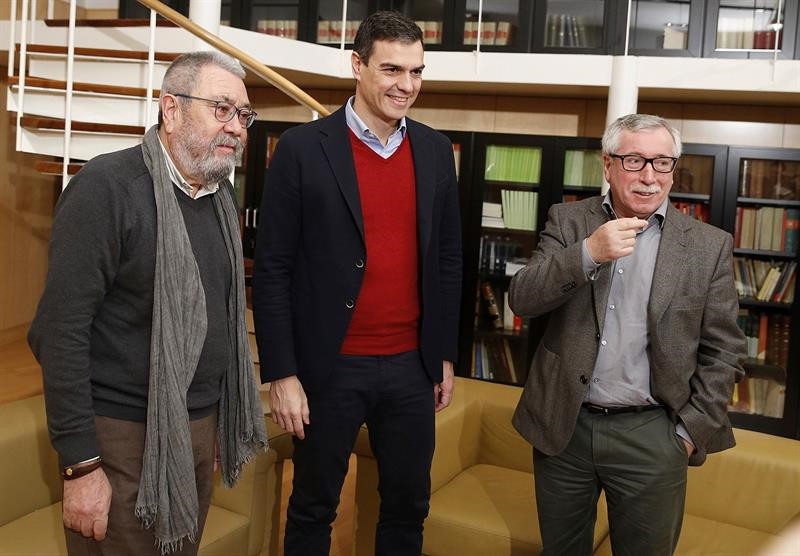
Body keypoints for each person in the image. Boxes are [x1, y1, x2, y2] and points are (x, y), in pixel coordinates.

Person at [28, 51, 267, 555]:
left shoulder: (219, 197)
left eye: (243, 114)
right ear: (171, 109)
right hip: (121, 436)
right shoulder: (107, 188)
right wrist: (81, 466)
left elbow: (219, 320)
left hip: (197, 428)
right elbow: (59, 330)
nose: (236, 127)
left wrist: (214, 423)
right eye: (222, 109)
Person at [251, 11, 462, 556]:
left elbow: (447, 261)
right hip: (329, 367)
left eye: (416, 71)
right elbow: (271, 269)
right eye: (392, 69)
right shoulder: (302, 148)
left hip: (411, 369)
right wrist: (282, 373)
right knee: (312, 508)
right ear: (357, 65)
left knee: (408, 509)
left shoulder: (436, 151)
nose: (406, 85)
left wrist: (441, 353)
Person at [509, 114, 746, 555]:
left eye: (662, 162)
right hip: (564, 427)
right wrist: (587, 254)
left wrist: (688, 433)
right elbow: (523, 298)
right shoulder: (568, 221)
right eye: (634, 160)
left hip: (654, 434)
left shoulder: (708, 245)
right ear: (608, 164)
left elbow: (725, 350)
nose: (649, 177)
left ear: (673, 169)